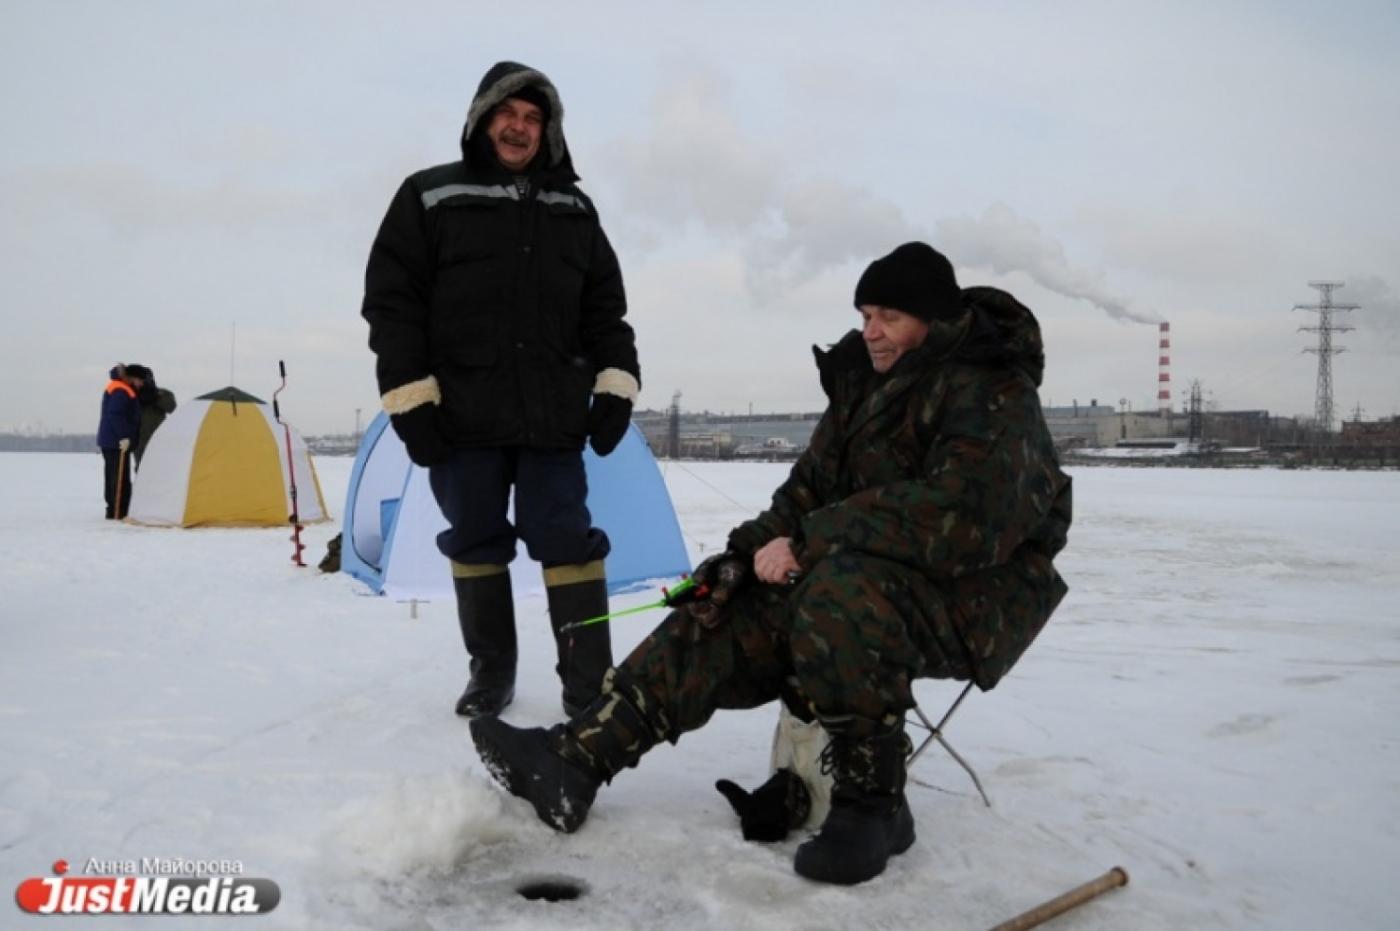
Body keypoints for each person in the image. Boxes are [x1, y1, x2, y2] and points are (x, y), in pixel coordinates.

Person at [469, 242, 1072, 885]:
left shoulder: (993, 387)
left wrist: (809, 545)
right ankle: (575, 761)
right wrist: (735, 559)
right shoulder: (862, 385)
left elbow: (968, 518)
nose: (870, 331)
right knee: (729, 601)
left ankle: (876, 806)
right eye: (865, 313)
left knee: (839, 589)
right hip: (865, 583)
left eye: (888, 317)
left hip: (976, 596)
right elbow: (804, 495)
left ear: (933, 319)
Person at [361, 61, 640, 720]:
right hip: (462, 417)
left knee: (568, 540)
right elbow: (392, 304)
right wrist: (409, 396)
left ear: (549, 131)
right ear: (482, 121)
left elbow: (606, 309)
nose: (519, 127)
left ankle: (587, 687)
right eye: (507, 114)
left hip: (551, 418)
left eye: (532, 117)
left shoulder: (574, 209)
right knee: (476, 538)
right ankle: (491, 668)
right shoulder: (429, 196)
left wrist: (615, 385)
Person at [97, 363, 145, 519]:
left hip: (113, 440)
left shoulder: (123, 388)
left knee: (117, 476)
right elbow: (115, 414)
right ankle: (118, 510)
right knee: (118, 477)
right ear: (132, 378)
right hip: (115, 441)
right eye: (140, 380)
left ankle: (117, 509)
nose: (142, 384)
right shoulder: (120, 389)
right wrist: (124, 436)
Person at [123, 364, 177, 469]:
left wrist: (155, 396)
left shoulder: (162, 393)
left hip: (158, 442)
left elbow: (172, 407)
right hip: (140, 444)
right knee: (142, 471)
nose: (137, 383)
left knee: (160, 470)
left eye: (139, 379)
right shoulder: (132, 396)